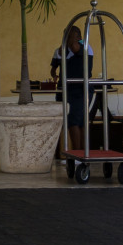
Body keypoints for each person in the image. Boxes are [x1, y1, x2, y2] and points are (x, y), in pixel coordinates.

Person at [50, 24, 92, 153]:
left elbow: (75, 48)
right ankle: (76, 153)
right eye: (65, 35)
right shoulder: (60, 50)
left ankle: (79, 153)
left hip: (80, 89)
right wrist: (54, 76)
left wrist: (71, 41)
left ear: (78, 36)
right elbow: (53, 68)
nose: (66, 38)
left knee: (76, 121)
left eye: (69, 35)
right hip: (64, 89)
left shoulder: (85, 45)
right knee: (70, 121)